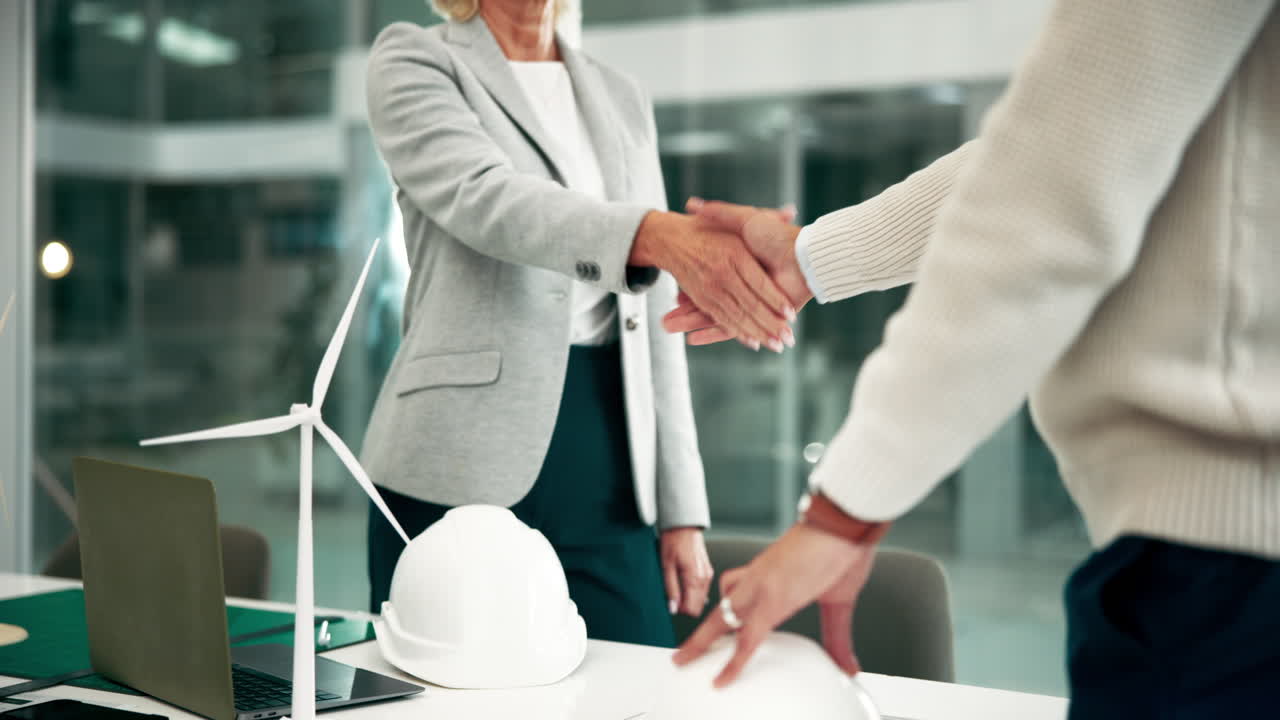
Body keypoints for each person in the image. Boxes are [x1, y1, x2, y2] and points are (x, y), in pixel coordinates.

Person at [667, 1, 1279, 715]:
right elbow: (1038, 154)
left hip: (1229, 578)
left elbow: (1044, 202)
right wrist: (813, 259)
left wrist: (842, 515)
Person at [359, 0, 798, 647]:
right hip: (459, 452)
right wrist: (662, 234)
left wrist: (682, 511)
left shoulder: (619, 95)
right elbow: (488, 200)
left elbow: (655, 312)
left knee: (635, 678)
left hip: (611, 442)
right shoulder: (418, 59)